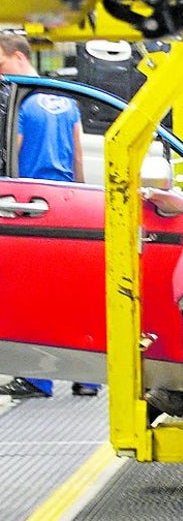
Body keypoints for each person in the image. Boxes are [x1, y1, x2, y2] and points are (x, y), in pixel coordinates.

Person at [0, 32, 100, 399]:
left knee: (29, 294)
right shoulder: (63, 98)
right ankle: (87, 377)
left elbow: (14, 150)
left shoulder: (20, 100)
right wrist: (84, 195)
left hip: (28, 205)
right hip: (67, 201)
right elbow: (77, 153)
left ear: (17, 56)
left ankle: (37, 379)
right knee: (74, 291)